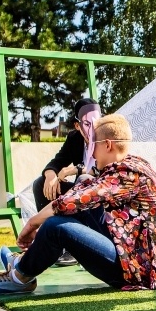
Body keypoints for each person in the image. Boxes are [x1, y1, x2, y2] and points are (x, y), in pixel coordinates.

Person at [0, 113, 156, 295]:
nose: (91, 153)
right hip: (141, 255)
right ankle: (24, 262)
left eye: (94, 146)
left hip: (141, 270)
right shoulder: (134, 164)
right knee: (83, 184)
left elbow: (70, 202)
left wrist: (32, 224)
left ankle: (19, 277)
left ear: (108, 145)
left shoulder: (126, 174)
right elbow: (83, 190)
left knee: (54, 227)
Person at [30, 98, 101, 265]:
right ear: (77, 125)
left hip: (101, 197)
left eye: (97, 120)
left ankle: (75, 246)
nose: (94, 127)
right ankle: (55, 244)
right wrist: (50, 176)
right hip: (80, 194)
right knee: (39, 184)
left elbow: (106, 168)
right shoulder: (75, 138)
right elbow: (56, 162)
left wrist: (77, 169)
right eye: (87, 123)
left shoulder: (106, 137)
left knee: (83, 180)